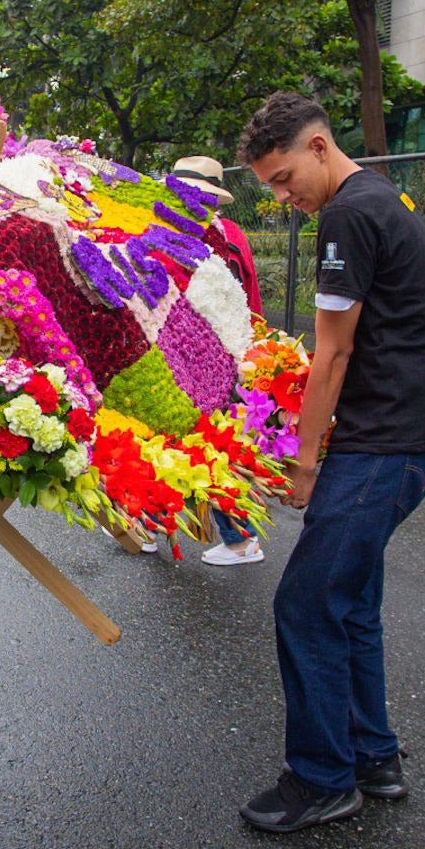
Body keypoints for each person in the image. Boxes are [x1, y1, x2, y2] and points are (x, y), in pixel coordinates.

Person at [234, 92, 425, 833]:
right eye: (269, 184)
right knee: (351, 597)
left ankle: (323, 778)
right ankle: (372, 756)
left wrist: (303, 462)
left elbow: (333, 351)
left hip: (387, 439)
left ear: (319, 146)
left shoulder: (349, 213)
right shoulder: (380, 199)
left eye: (282, 175)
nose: (281, 195)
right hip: (414, 431)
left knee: (305, 604)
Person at [169, 157, 266, 568]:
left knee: (209, 446)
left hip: (205, 360)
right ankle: (153, 523)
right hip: (212, 355)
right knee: (184, 444)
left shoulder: (196, 235)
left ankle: (240, 539)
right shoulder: (230, 234)